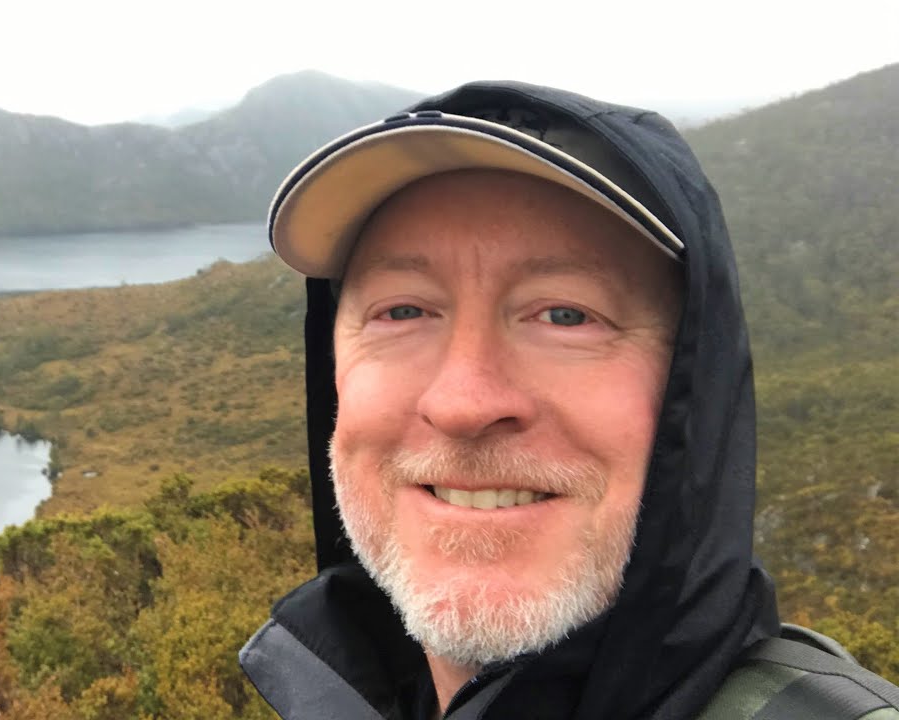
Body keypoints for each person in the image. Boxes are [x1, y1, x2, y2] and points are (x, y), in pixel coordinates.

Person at [239, 82, 899, 719]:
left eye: (565, 316)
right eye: (403, 310)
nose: (464, 403)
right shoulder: (336, 690)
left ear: (693, 394)